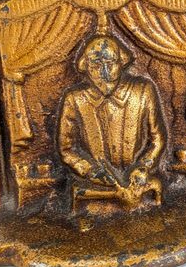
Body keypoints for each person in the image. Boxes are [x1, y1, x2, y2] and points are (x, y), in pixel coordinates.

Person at [58, 35, 166, 208]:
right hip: (97, 190)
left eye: (110, 63)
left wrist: (144, 166)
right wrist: (89, 170)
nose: (105, 73)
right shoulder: (75, 99)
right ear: (85, 66)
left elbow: (158, 139)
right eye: (96, 65)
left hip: (138, 185)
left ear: (122, 62)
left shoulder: (143, 91)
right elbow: (66, 149)